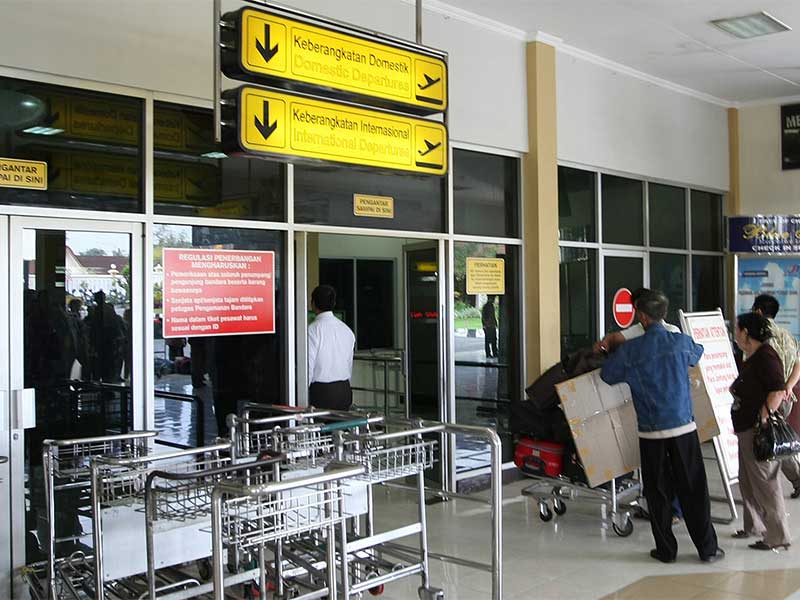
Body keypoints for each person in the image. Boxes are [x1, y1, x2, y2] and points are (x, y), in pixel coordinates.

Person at [601, 290, 724, 563]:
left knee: (657, 491)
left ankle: (666, 551)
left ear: (642, 317)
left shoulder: (632, 350)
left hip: (651, 432)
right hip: (683, 428)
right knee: (694, 489)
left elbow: (607, 375)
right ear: (663, 314)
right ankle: (707, 549)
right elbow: (698, 353)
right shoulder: (680, 342)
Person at [594, 287, 683, 524]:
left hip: (655, 418)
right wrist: (607, 342)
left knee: (661, 467)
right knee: (668, 466)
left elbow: (608, 374)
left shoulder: (647, 340)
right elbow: (617, 338)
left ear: (642, 314)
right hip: (678, 415)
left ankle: (669, 512)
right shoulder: (673, 335)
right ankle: (668, 510)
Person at [730, 312, 792, 550]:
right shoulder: (753, 355)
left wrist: (763, 418)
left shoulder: (766, 356)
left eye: (737, 329)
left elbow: (778, 391)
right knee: (747, 480)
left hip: (757, 430)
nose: (735, 334)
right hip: (745, 427)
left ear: (746, 332)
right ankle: (754, 525)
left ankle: (778, 535)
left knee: (766, 482)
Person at [751, 293, 800, 498]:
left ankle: (768, 492)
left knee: (768, 442)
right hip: (786, 398)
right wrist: (788, 387)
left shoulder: (758, 338)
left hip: (768, 399)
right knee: (777, 438)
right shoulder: (787, 335)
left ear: (758, 312)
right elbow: (798, 364)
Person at [308, 285, 356, 410]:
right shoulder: (347, 330)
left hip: (321, 392)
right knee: (340, 423)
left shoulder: (312, 330)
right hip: (344, 390)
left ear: (313, 304)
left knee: (319, 423)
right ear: (334, 303)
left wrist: (302, 392)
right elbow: (349, 365)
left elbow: (308, 366)